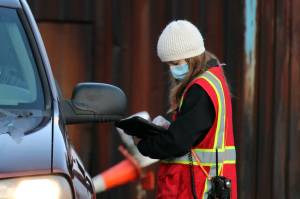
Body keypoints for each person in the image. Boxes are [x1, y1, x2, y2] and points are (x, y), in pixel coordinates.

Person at [133, 20, 237, 199]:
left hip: (198, 188)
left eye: (175, 63)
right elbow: (194, 133)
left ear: (191, 57)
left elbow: (177, 141)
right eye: (168, 64)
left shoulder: (200, 89)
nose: (172, 69)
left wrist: (142, 144)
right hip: (208, 187)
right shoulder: (213, 79)